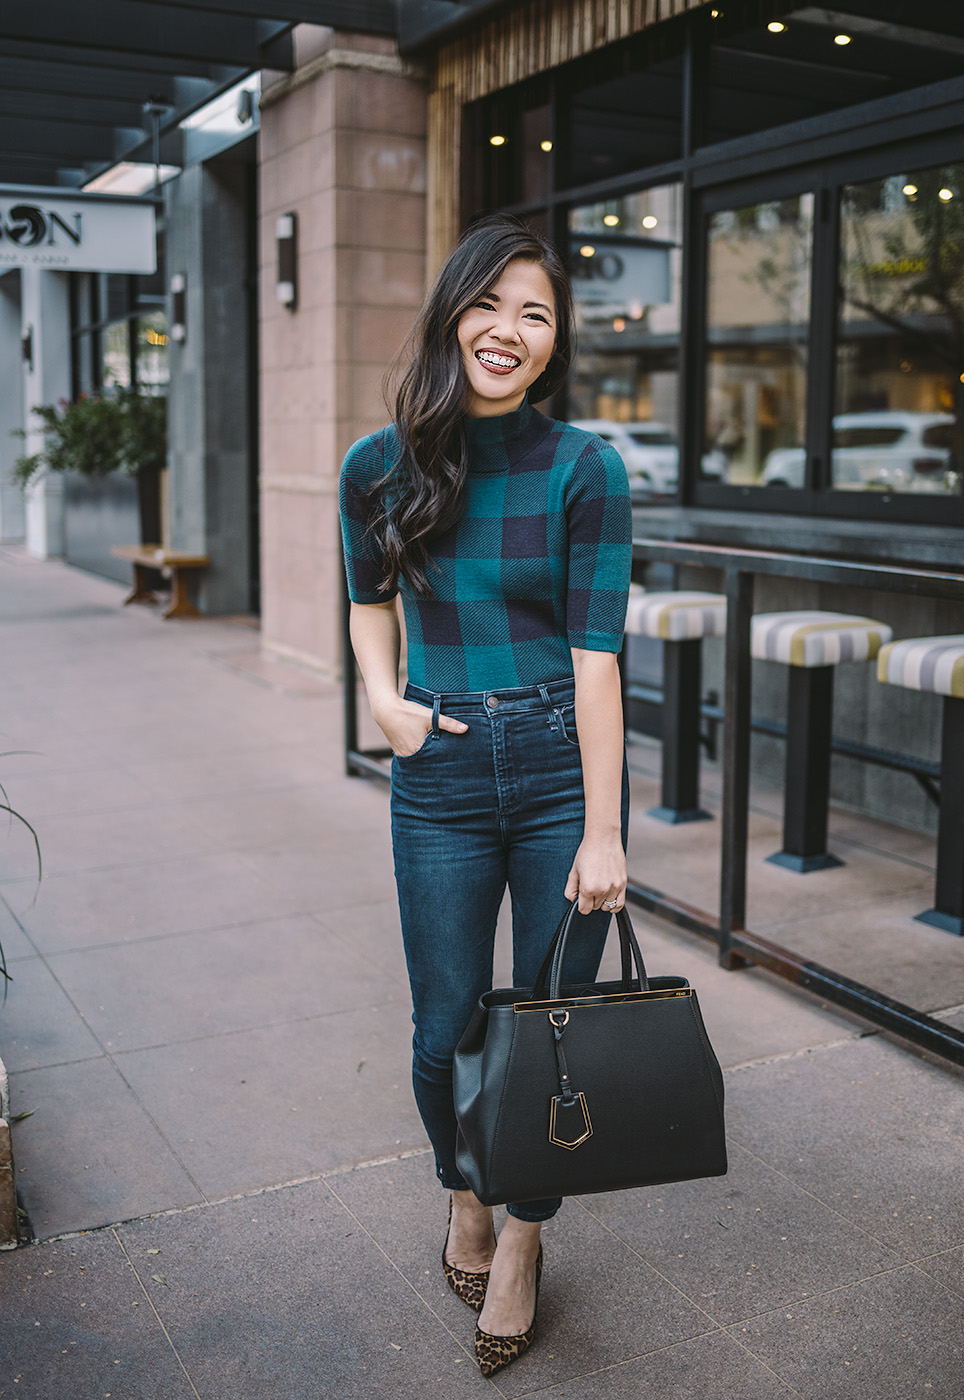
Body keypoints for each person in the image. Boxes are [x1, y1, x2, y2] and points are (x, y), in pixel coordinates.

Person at [339, 215, 631, 1377]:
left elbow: (600, 656)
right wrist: (384, 702)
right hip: (442, 766)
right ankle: (462, 1187)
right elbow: (367, 598)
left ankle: (521, 1236)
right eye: (491, 305)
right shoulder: (380, 462)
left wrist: (605, 829)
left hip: (560, 759)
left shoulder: (582, 467)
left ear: (555, 341)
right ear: (452, 311)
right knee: (441, 1029)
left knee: (551, 1030)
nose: (509, 331)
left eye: (537, 313)